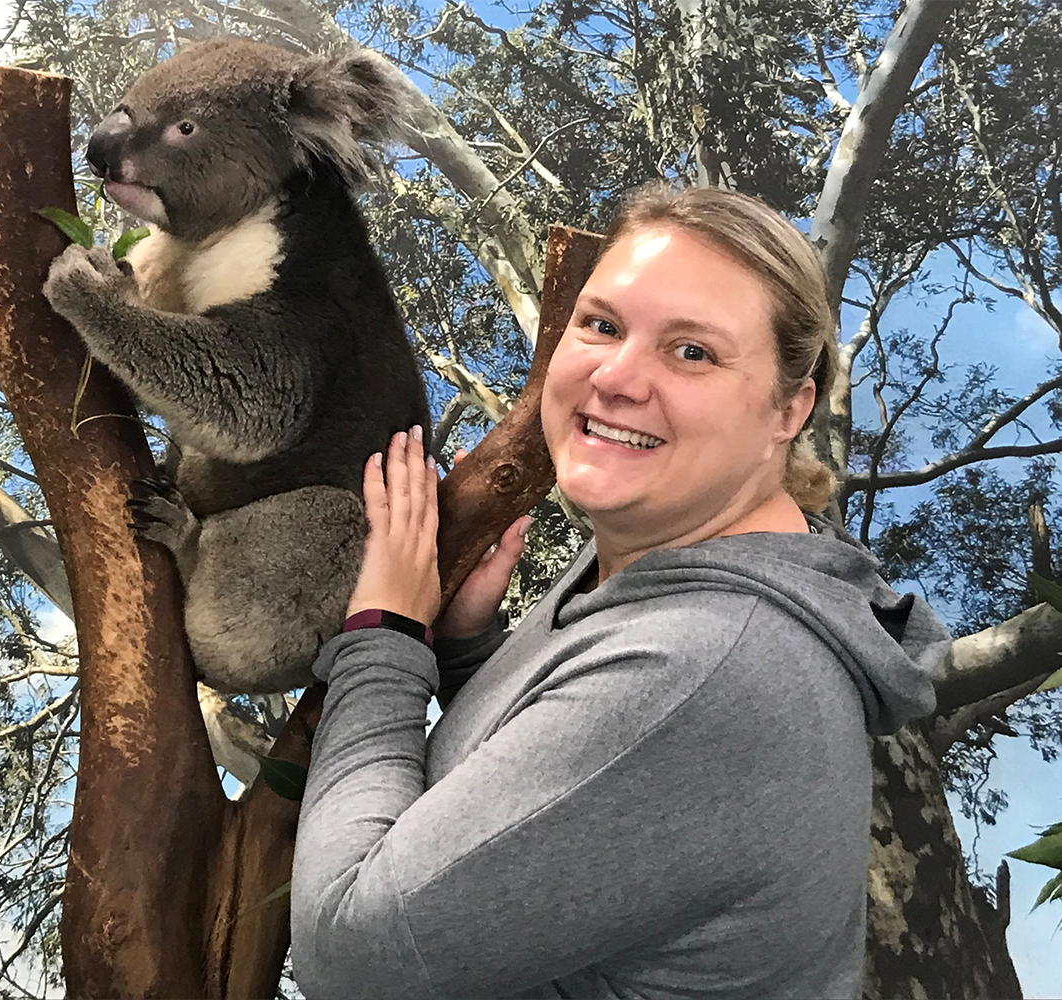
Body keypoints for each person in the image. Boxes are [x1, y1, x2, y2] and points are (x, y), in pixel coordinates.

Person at [290, 184, 943, 999]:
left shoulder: (705, 669)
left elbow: (351, 957)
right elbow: (563, 819)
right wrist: (465, 651)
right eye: (601, 325)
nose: (619, 378)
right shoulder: (658, 562)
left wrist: (385, 632)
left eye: (692, 352)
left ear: (790, 409)